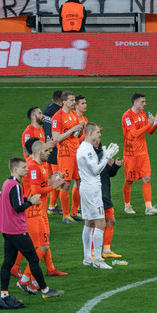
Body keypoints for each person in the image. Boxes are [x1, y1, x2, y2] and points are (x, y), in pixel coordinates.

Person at [0, 156, 63, 300]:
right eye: (23, 168)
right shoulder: (16, 186)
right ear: (15, 169)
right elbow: (18, 207)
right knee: (33, 258)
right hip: (17, 229)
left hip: (6, 229)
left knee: (7, 261)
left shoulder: (7, 183)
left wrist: (26, 200)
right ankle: (44, 289)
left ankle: (4, 293)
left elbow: (16, 201)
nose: (27, 169)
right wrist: (30, 202)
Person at [14, 137, 68, 292]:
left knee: (42, 244)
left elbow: (43, 184)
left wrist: (55, 181)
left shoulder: (40, 166)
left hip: (39, 210)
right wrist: (54, 186)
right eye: (46, 150)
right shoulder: (32, 167)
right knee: (42, 246)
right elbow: (36, 192)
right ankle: (25, 280)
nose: (48, 152)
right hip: (32, 211)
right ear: (38, 151)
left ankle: (36, 281)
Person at [76, 123, 119, 270]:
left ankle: (87, 257)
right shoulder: (87, 150)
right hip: (92, 190)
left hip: (86, 188)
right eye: (97, 133)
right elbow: (96, 170)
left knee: (89, 223)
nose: (99, 136)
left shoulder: (86, 147)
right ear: (90, 133)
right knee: (101, 223)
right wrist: (106, 157)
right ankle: (98, 259)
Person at [121, 92, 157, 216]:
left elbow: (149, 132)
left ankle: (148, 207)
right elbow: (134, 133)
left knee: (147, 178)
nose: (145, 104)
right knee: (129, 180)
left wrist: (156, 123)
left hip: (143, 153)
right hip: (131, 154)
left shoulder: (142, 114)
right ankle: (127, 205)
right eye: (142, 102)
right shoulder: (127, 116)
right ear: (135, 103)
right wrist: (149, 124)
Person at [50, 91, 83, 223]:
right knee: (66, 183)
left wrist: (80, 129)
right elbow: (56, 138)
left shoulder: (74, 114)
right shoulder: (57, 117)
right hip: (65, 154)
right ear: (64, 102)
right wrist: (72, 130)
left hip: (76, 152)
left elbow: (77, 135)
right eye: (71, 100)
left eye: (74, 100)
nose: (74, 102)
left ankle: (74, 212)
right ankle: (65, 215)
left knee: (79, 181)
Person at [95, 136, 123, 260]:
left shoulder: (102, 153)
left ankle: (106, 250)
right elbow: (97, 171)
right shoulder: (90, 155)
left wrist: (115, 166)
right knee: (95, 224)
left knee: (111, 221)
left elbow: (108, 173)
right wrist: (106, 161)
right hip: (97, 195)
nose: (99, 136)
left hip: (105, 195)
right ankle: (92, 252)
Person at [44, 89, 62, 213]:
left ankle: (50, 204)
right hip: (55, 148)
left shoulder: (47, 108)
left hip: (46, 147)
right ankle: (51, 206)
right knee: (58, 178)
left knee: (50, 177)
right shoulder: (58, 112)